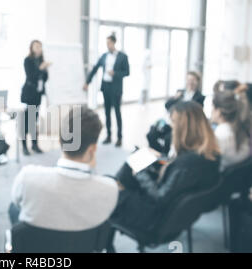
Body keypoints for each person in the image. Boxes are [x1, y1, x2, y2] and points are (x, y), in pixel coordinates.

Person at [110, 101, 220, 235]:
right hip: (175, 215)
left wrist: (140, 173)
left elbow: (159, 198)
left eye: (173, 122)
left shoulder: (185, 165)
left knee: (109, 187)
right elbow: (179, 179)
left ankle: (116, 197)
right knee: (131, 165)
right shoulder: (210, 154)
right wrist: (164, 159)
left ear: (184, 128)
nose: (170, 126)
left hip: (155, 217)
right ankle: (118, 188)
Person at [9, 106, 118, 231]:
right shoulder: (109, 189)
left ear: (60, 139)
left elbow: (17, 202)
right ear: (92, 148)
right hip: (81, 245)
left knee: (13, 209)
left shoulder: (27, 177)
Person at [83, 34, 130, 147]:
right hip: (106, 87)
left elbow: (127, 72)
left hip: (116, 88)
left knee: (117, 113)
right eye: (106, 43)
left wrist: (116, 73)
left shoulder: (122, 56)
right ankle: (109, 136)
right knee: (107, 112)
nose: (107, 45)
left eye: (109, 43)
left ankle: (119, 137)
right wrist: (87, 82)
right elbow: (95, 69)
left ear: (114, 43)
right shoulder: (104, 56)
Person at [20, 40, 51, 156]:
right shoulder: (28, 60)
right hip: (28, 95)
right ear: (32, 48)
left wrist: (44, 69)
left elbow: (45, 78)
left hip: (38, 95)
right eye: (36, 46)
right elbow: (31, 76)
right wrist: (41, 68)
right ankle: (24, 147)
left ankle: (35, 145)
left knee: (34, 121)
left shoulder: (42, 60)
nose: (38, 48)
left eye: (40, 47)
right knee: (26, 122)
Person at [212, 91, 251, 171]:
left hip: (222, 180)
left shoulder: (220, 135)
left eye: (212, 107)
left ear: (218, 112)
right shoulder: (243, 131)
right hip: (240, 180)